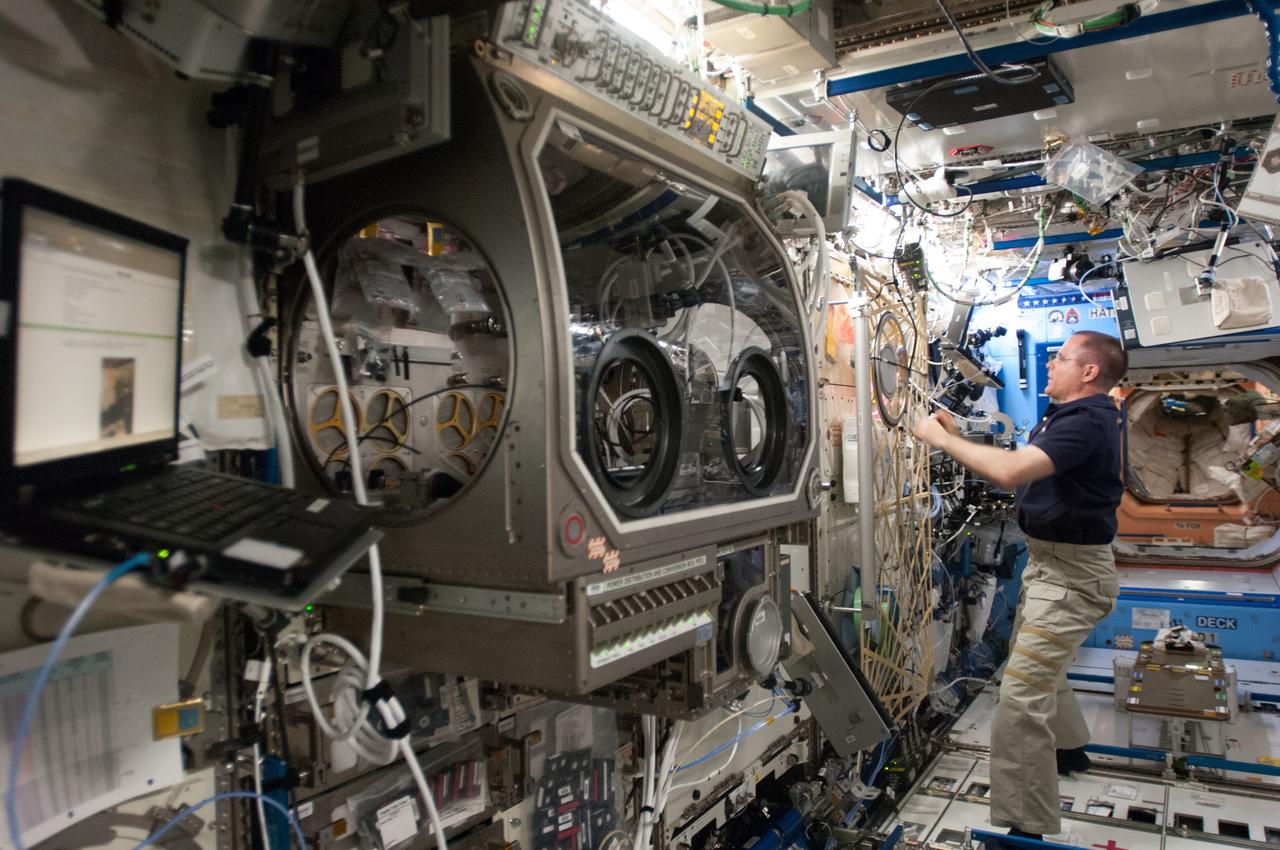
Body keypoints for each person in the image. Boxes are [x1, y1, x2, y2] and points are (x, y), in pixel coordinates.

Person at [911, 330, 1127, 841]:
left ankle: (1023, 827)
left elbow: (1010, 471)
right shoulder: (1068, 416)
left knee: (1020, 699)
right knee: (1038, 670)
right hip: (1052, 567)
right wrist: (960, 428)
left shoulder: (1089, 421)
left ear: (1089, 372)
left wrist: (941, 440)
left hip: (1072, 577)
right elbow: (1026, 459)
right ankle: (1070, 749)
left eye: (1061, 358)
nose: (1050, 365)